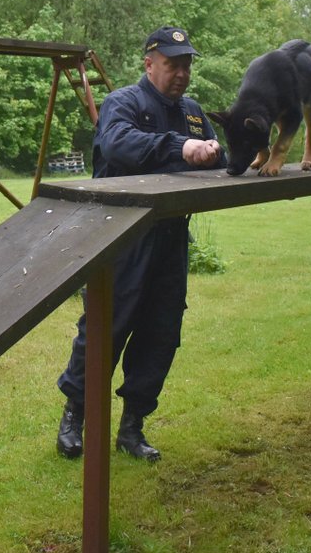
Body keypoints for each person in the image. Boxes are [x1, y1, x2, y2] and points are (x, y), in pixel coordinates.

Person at [55, 26, 226, 462]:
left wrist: (212, 149)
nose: (182, 73)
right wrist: (180, 147)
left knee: (161, 333)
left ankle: (132, 428)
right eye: (173, 64)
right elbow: (116, 145)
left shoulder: (191, 111)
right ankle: (75, 414)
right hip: (121, 238)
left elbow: (214, 154)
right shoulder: (123, 103)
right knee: (106, 326)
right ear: (149, 64)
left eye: (187, 64)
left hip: (170, 239)